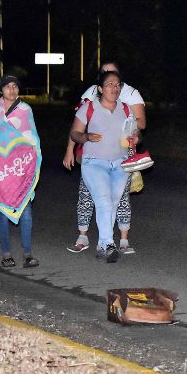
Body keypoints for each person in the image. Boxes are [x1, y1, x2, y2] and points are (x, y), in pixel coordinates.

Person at [62, 61, 146, 255]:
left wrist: (135, 137)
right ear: (100, 88)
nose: (114, 88)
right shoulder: (89, 107)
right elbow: (75, 133)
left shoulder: (126, 109)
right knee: (103, 201)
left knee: (114, 202)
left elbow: (137, 133)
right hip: (94, 163)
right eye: (110, 84)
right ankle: (108, 243)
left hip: (119, 163)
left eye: (117, 85)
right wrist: (86, 137)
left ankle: (102, 244)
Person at [0, 75, 42, 268]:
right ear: (1, 90)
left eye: (15, 86)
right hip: (1, 168)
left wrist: (28, 153)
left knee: (26, 211)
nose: (12, 90)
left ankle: (28, 254)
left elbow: (33, 139)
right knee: (2, 211)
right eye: (7, 87)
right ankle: (6, 254)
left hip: (20, 168)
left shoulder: (26, 110)